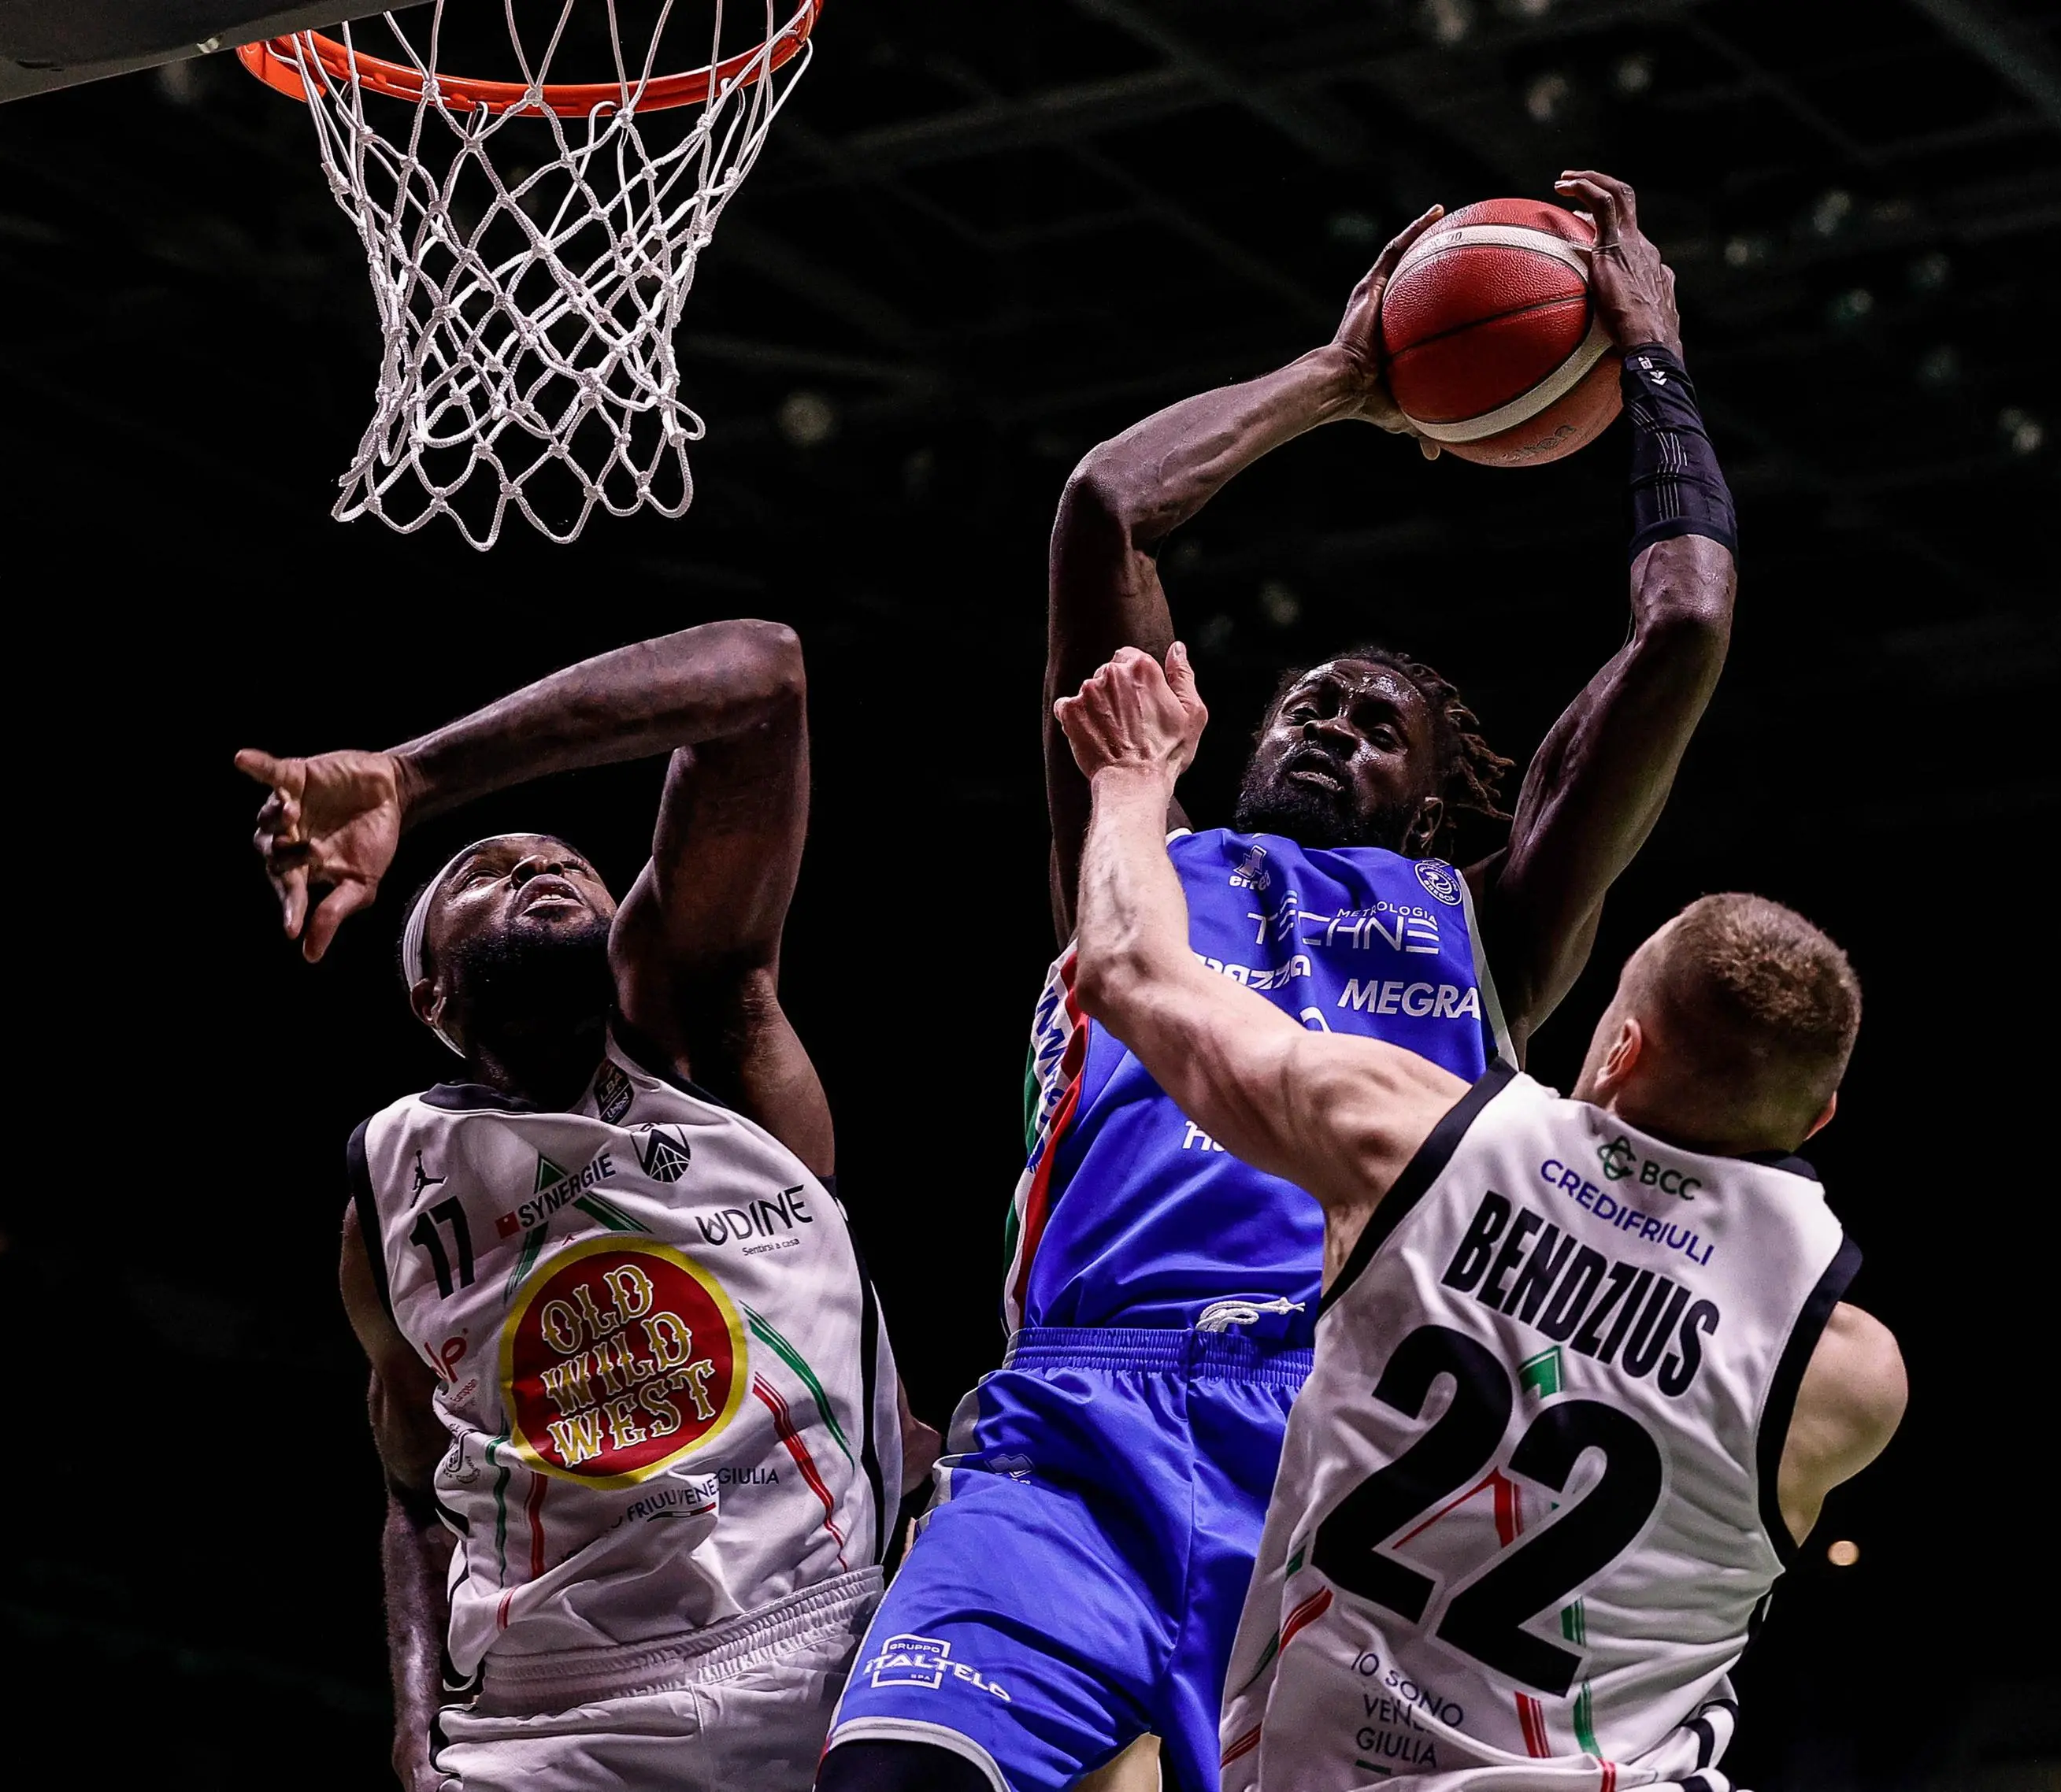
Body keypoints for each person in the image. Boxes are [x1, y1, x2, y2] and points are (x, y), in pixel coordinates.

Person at [825, 171, 1742, 1792]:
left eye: (1376, 718)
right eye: (1308, 701)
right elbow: (1107, 508)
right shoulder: (1130, 835)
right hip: (1076, 1416)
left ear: (1444, 795)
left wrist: (1654, 355)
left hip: (1346, 1444)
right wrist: (1341, 378)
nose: (1326, 719)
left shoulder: (1491, 925)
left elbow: (1683, 626)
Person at [1054, 642, 1907, 1790]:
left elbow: (1127, 967)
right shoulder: (1847, 1372)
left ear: (1617, 1047)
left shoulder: (1435, 1147)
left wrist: (1131, 773)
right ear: (1824, 1113)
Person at [238, 620, 929, 1792]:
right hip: (542, 1719)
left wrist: (414, 776)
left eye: (565, 860)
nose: (544, 868)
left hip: (813, 1651)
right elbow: (411, 1497)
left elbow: (763, 677)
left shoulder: (707, 1030)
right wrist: (416, 1731)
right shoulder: (393, 1179)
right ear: (428, 990)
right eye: (488, 872)